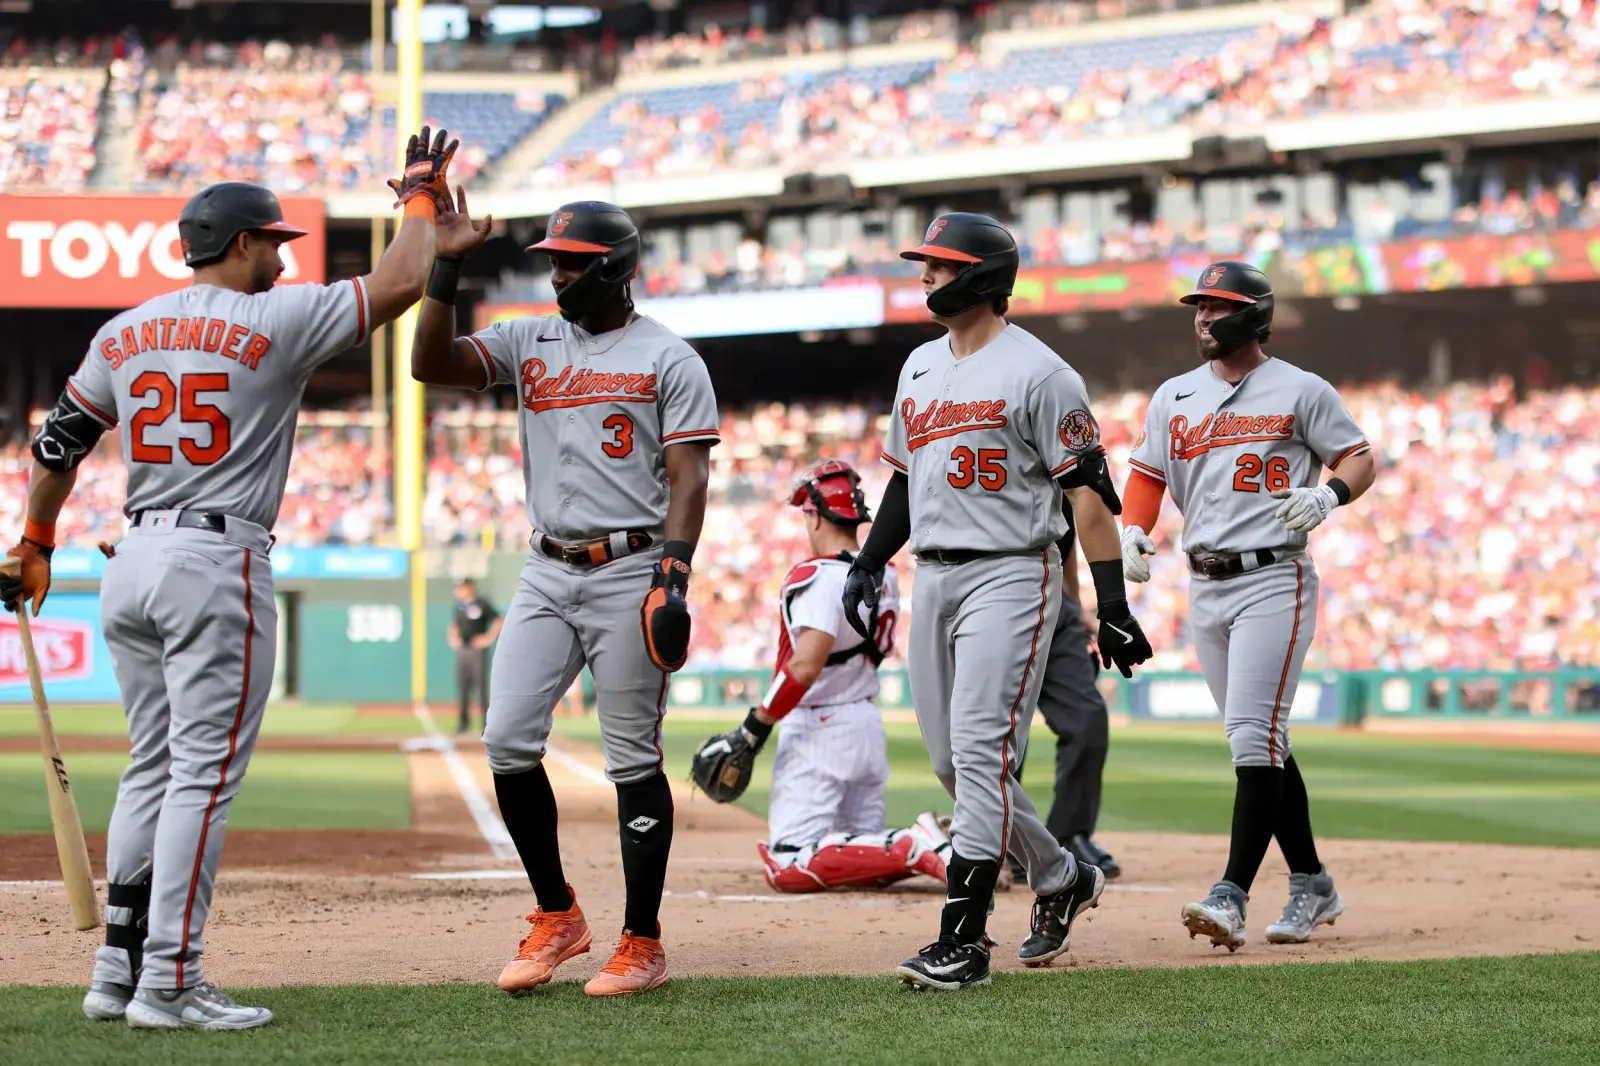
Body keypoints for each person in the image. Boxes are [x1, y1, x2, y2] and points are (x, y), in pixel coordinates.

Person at [0, 127, 452, 1030]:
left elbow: (57, 447)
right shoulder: (277, 320)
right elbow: (404, 280)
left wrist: (34, 541)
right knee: (202, 780)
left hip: (131, 561)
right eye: (274, 243)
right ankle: (170, 980)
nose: (283, 260)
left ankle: (116, 971)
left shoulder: (123, 331)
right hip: (215, 561)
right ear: (241, 243)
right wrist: (419, 195)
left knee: (153, 767)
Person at [410, 198, 718, 998]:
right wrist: (447, 263)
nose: (556, 274)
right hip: (547, 567)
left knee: (632, 757)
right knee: (507, 737)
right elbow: (429, 363)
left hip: (630, 564)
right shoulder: (528, 339)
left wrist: (673, 573)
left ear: (614, 267)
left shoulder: (669, 356)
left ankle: (642, 941)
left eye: (571, 262)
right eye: (553, 259)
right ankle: (558, 915)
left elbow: (689, 475)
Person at [840, 212, 1154, 990]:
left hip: (1012, 570)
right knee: (953, 763)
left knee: (980, 751)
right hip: (935, 573)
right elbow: (905, 480)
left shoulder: (1043, 373)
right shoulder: (919, 366)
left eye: (941, 265)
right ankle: (1061, 876)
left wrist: (1112, 607)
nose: (925, 275)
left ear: (982, 277)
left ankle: (964, 940)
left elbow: (1089, 498)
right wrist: (870, 561)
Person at [1119, 261, 1376, 951]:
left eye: (1218, 306)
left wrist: (1328, 494)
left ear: (1255, 315)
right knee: (1264, 741)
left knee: (1252, 737)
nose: (1204, 317)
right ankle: (1312, 881)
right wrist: (1134, 530)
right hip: (1205, 582)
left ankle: (1230, 893)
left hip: (1273, 576)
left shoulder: (1301, 388)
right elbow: (1146, 474)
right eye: (1198, 306)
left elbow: (1359, 459)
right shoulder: (1174, 395)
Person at [688, 459, 952, 892]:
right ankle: (939, 846)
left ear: (814, 515)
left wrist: (754, 728)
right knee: (862, 855)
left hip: (819, 729)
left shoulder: (815, 575)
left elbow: (805, 665)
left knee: (788, 864)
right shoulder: (884, 574)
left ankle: (913, 842)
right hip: (865, 722)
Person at [1009, 515, 1122, 883]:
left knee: (1088, 719)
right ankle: (1002, 840)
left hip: (1057, 610)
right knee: (1003, 729)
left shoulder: (1069, 481)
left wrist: (1075, 605)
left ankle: (1069, 835)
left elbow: (1064, 540)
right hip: (1000, 602)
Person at [448, 577, 502, 734]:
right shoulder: (459, 607)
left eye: (462, 588)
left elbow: (499, 620)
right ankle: (463, 724)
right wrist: (453, 638)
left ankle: (486, 725)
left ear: (469, 588)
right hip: (463, 650)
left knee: (481, 688)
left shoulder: (481, 603)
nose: (459, 591)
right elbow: (454, 625)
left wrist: (488, 638)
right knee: (463, 688)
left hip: (477, 651)